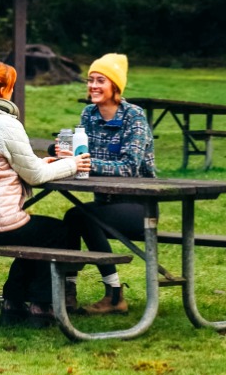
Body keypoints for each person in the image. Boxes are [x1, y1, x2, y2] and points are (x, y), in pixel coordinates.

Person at [0, 60, 92, 327]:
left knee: (34, 235)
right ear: (6, 88)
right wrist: (74, 164)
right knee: (57, 233)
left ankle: (13, 303)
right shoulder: (6, 124)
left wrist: (43, 162)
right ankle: (42, 306)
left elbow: (5, 165)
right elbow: (35, 177)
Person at [61, 53, 156, 315]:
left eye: (100, 80)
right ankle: (68, 289)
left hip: (139, 206)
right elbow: (80, 153)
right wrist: (62, 156)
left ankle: (114, 296)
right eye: (90, 80)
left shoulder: (134, 117)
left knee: (84, 217)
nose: (93, 86)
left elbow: (129, 167)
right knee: (73, 217)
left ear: (115, 86)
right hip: (104, 203)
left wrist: (85, 163)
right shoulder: (89, 114)